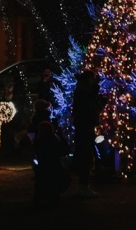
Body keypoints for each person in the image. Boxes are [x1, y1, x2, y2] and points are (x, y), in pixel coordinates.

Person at [71, 69, 107, 198]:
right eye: (92, 79)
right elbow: (88, 104)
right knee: (85, 155)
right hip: (84, 126)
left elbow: (92, 105)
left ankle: (84, 185)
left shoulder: (83, 92)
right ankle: (83, 186)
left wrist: (100, 104)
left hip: (86, 126)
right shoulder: (82, 92)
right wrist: (96, 89)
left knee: (87, 155)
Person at [32, 120, 70, 206]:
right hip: (54, 167)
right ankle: (52, 198)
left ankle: (41, 198)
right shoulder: (54, 139)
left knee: (42, 183)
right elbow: (64, 151)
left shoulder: (39, 141)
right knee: (54, 183)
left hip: (43, 167)